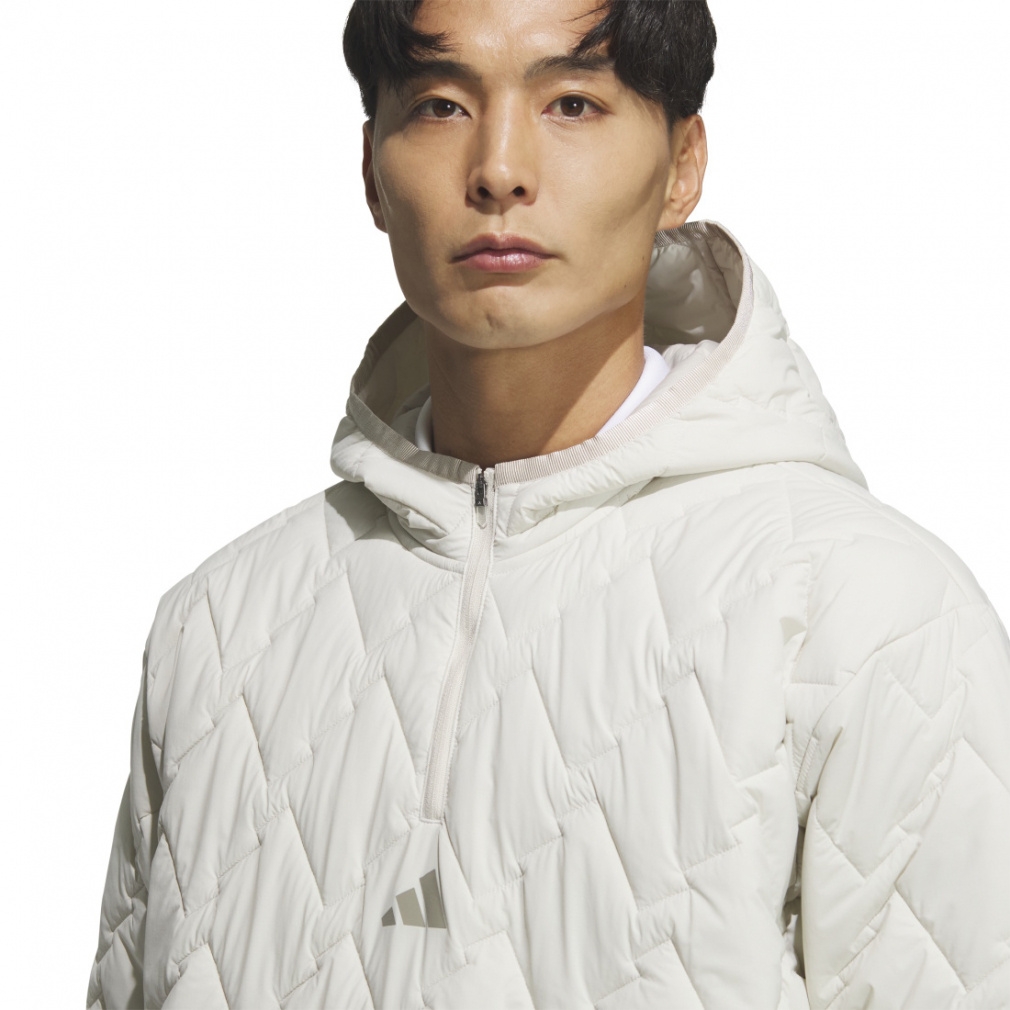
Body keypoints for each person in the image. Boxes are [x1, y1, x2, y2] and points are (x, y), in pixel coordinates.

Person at [86, 1, 1010, 1007]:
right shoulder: (217, 627)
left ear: (682, 166)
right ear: (371, 173)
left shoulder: (867, 612)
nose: (498, 169)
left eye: (571, 103)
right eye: (439, 105)